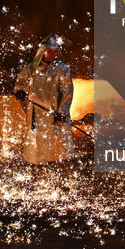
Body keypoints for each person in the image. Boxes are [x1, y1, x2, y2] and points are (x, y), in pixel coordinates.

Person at [14, 34, 75, 165]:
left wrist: (62, 110)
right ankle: (39, 169)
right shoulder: (31, 68)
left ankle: (60, 169)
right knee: (38, 144)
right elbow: (21, 81)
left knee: (58, 147)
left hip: (55, 113)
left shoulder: (62, 68)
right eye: (49, 51)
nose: (52, 54)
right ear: (42, 50)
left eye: (55, 51)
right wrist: (19, 91)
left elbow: (68, 90)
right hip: (37, 113)